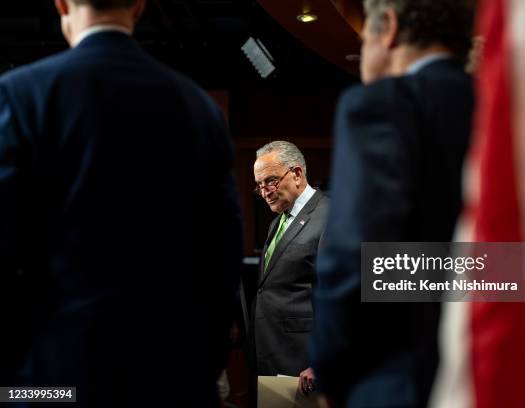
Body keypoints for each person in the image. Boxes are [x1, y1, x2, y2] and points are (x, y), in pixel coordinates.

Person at [0, 0, 242, 406]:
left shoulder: (20, 96)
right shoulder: (200, 108)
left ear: (62, 3)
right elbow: (222, 258)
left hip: (51, 381)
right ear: (139, 5)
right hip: (169, 379)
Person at [308, 0, 475, 406]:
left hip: (398, 377)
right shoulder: (509, 107)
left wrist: (328, 365)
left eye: (363, 39)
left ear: (390, 29)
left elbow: (354, 257)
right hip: (496, 368)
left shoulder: (381, 104)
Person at [250, 141, 328, 394]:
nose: (265, 192)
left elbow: (341, 296)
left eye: (270, 181)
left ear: (296, 174)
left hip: (304, 365)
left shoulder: (329, 215)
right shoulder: (277, 222)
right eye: (259, 185)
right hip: (271, 356)